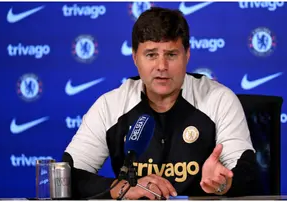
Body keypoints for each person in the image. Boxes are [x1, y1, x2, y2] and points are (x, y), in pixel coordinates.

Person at [62, 6, 260, 200]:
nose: (162, 67)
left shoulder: (219, 99)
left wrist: (222, 183)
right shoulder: (110, 106)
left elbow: (249, 175)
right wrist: (123, 188)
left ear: (187, 55)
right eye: (151, 55)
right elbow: (68, 176)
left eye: (171, 55)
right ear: (135, 58)